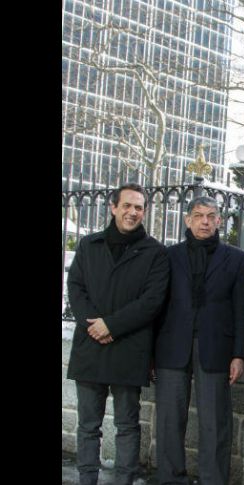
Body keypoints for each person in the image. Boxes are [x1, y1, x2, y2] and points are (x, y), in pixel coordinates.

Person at [67, 183, 170, 485]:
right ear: (113, 207)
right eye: (127, 205)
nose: (133, 212)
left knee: (127, 425)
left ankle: (124, 480)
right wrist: (93, 326)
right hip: (90, 346)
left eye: (139, 207)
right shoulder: (89, 245)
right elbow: (76, 288)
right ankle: (87, 480)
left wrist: (111, 326)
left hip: (129, 347)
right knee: (88, 425)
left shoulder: (155, 253)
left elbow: (152, 301)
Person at [154, 196, 244, 485]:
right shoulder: (169, 256)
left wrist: (239, 354)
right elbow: (157, 304)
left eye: (211, 216)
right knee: (170, 420)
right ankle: (171, 479)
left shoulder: (236, 259)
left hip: (216, 349)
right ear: (188, 220)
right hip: (171, 347)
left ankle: (214, 480)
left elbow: (242, 311)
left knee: (215, 423)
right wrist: (150, 352)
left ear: (219, 221)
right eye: (199, 215)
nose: (205, 221)